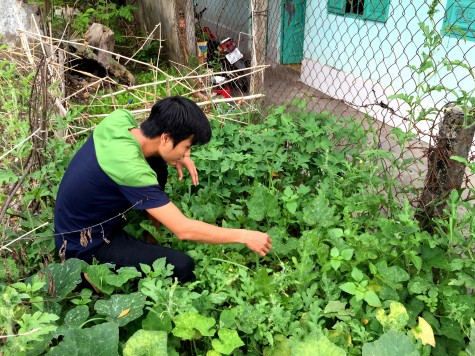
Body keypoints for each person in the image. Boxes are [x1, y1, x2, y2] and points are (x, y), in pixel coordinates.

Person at [54, 96, 272, 283]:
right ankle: (94, 272)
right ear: (166, 138)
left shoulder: (119, 119)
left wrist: (176, 154)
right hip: (83, 245)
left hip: (76, 218)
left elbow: (154, 150)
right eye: (187, 147)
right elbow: (184, 229)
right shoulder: (133, 171)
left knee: (157, 161)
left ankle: (153, 229)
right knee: (182, 265)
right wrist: (244, 236)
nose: (186, 154)